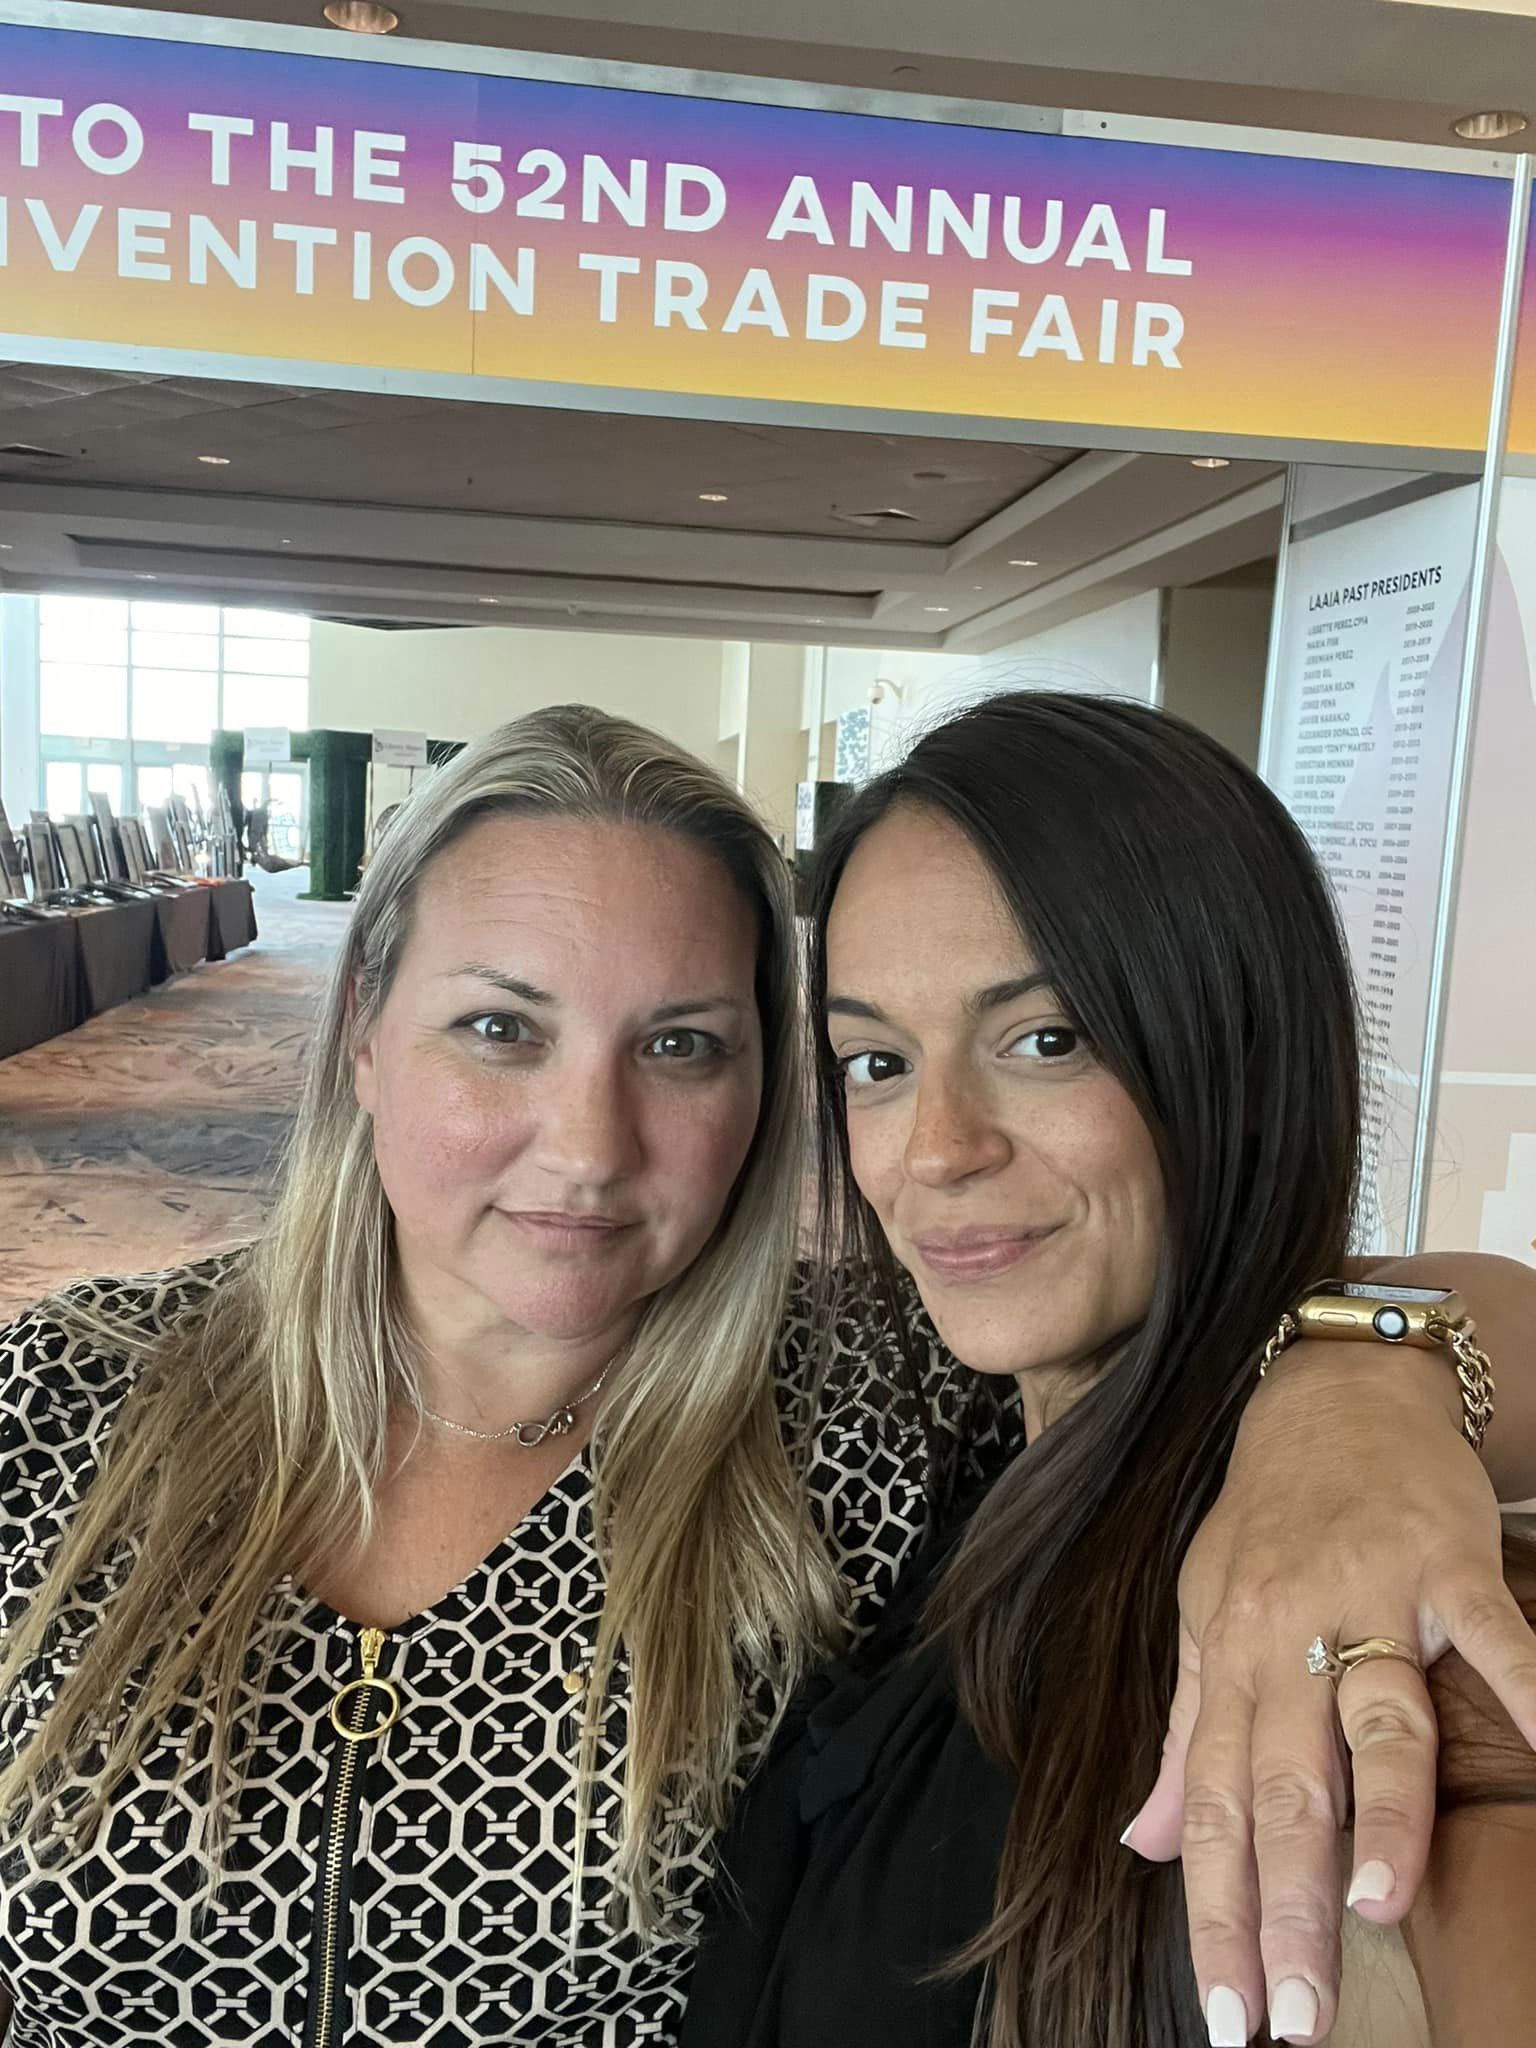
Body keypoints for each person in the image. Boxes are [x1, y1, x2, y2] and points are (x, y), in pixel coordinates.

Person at [0, 705, 1533, 2048]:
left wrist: (1360, 1391)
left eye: (681, 1047)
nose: (589, 1146)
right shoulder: (57, 1399)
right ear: (362, 1037)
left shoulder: (869, 1399)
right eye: (500, 1028)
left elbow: (1316, 1324)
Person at [681, 690, 1536, 2048]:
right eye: (877, 1061)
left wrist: (1376, 1384)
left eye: (1045, 1040)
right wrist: (1377, 1366)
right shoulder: (951, 1434)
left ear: (1237, 1051)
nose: (938, 1149)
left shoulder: (1330, 1634)